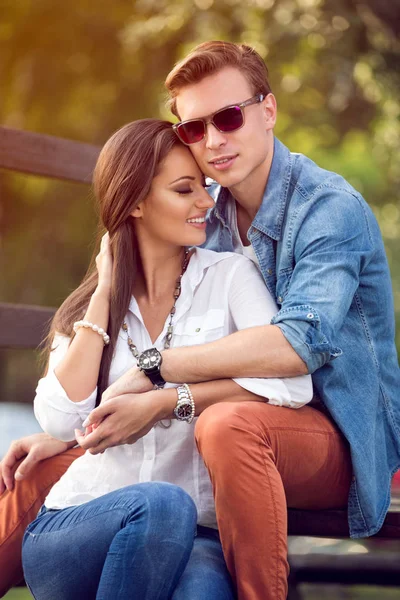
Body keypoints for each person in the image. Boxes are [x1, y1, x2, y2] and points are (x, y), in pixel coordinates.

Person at [1, 39, 399, 600]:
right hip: (223, 449)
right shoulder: (205, 211)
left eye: (229, 118)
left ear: (268, 111)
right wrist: (64, 433)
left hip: (337, 429)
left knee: (226, 426)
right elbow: (136, 319)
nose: (213, 141)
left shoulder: (328, 209)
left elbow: (299, 346)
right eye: (193, 128)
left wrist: (159, 374)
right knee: (45, 471)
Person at [15, 117, 311, 600]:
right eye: (184, 189)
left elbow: (293, 386)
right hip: (76, 528)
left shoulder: (232, 277)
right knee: (162, 505)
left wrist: (171, 399)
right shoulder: (91, 306)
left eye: (205, 187)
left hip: (197, 536)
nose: (206, 202)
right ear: (133, 203)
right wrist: (104, 292)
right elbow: (61, 418)